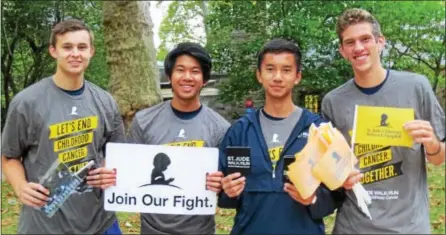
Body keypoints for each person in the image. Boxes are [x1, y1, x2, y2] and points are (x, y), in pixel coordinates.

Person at [321, 8, 445, 234]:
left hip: (409, 227)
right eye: (350, 42)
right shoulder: (333, 102)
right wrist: (340, 178)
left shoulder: (417, 87)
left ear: (380, 42)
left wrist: (434, 145)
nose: (358, 48)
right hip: (353, 227)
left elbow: (438, 159)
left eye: (365, 39)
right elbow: (329, 166)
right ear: (342, 50)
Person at [1, 19, 125, 234]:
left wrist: (109, 170)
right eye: (67, 47)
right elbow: (9, 155)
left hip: (100, 221)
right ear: (53, 51)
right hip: (44, 223)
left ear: (91, 52)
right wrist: (20, 186)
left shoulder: (105, 101)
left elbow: (117, 154)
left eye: (82, 47)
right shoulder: (26, 102)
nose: (75, 53)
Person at [218, 38, 342, 235]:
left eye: (286, 70)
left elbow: (337, 192)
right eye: (270, 69)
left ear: (297, 76)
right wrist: (227, 191)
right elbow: (222, 191)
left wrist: (313, 199)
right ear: (259, 75)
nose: (277, 77)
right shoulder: (240, 131)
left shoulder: (317, 130)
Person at [127, 42, 230, 234]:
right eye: (180, 70)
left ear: (204, 79)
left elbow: (227, 188)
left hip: (200, 230)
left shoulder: (221, 128)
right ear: (169, 76)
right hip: (152, 230)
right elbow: (128, 175)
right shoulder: (144, 121)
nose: (187, 77)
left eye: (195, 71)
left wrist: (221, 184)